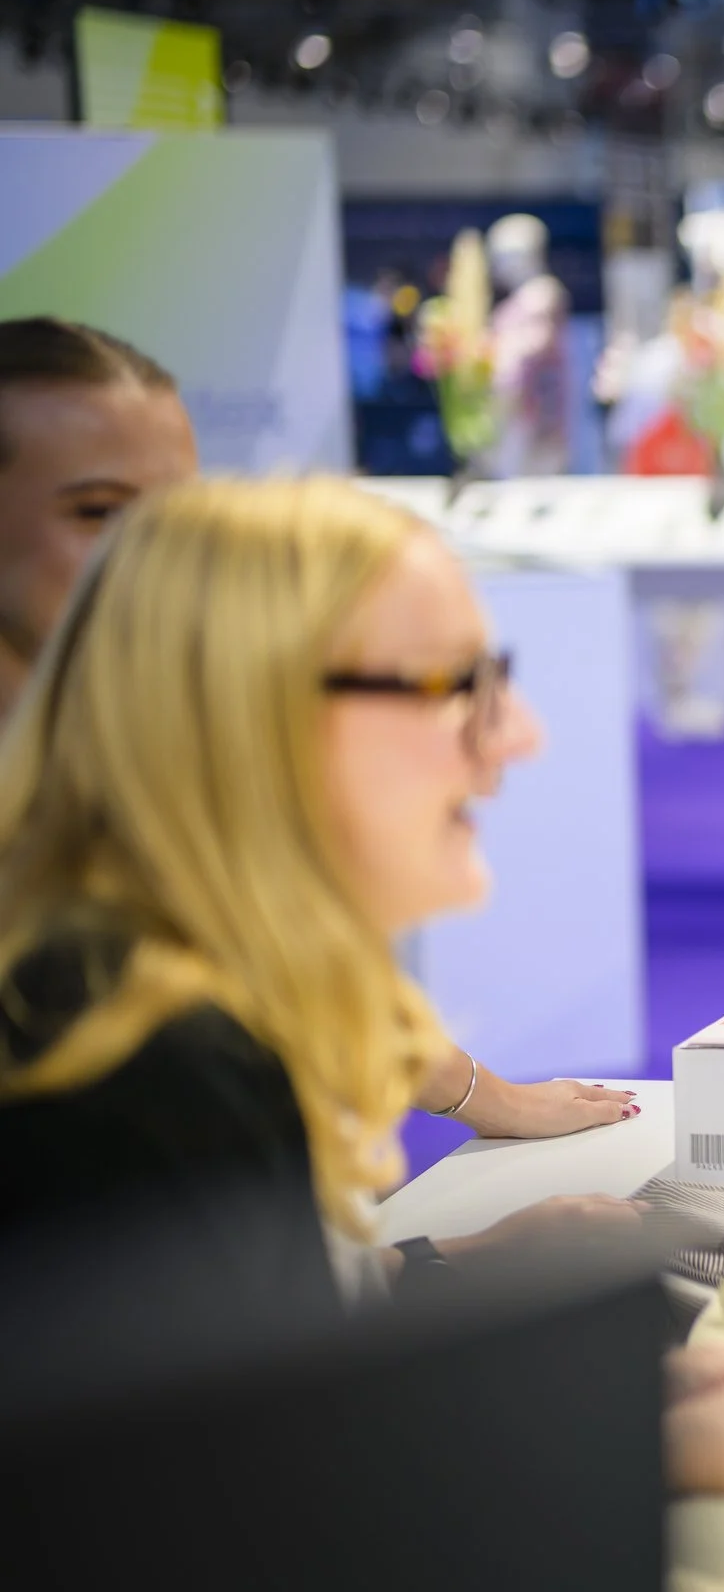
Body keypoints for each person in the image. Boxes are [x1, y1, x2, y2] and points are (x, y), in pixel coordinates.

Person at [0, 477, 724, 1496]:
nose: (518, 732)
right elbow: (216, 1515)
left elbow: (241, 1355)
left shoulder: (132, 1001)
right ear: (257, 712)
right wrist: (609, 1453)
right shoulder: (144, 1060)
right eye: (457, 682)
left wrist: (456, 1277)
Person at [0, 316, 628, 1140]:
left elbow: (296, 961)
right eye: (97, 511)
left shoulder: (156, 746)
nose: (156, 559)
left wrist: (469, 1153)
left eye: (176, 515)